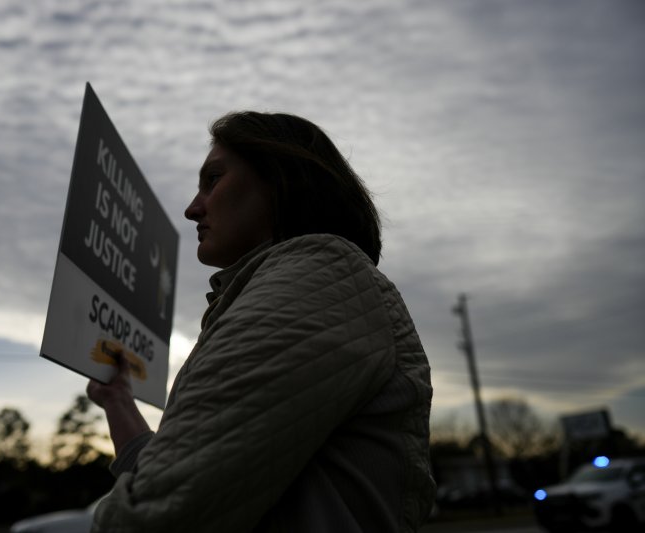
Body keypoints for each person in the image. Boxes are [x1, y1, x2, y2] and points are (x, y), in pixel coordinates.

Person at [87, 111, 436, 532]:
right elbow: (180, 482)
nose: (192, 208)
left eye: (213, 179)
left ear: (282, 180)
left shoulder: (318, 278)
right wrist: (119, 402)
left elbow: (151, 517)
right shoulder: (302, 288)